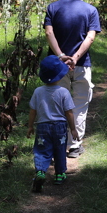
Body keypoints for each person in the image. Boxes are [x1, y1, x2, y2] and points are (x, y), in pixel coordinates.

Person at [44, 0, 101, 158]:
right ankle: (75, 146)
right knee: (79, 104)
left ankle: (56, 145)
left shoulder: (53, 7)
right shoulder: (91, 10)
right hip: (81, 64)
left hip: (56, 66)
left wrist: (60, 56)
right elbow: (90, 37)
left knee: (56, 104)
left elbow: (49, 33)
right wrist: (75, 58)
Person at [26, 55, 77, 191]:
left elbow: (33, 111)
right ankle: (59, 175)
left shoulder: (38, 91)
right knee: (60, 149)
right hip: (60, 127)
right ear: (60, 76)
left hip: (43, 126)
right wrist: (73, 129)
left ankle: (41, 171)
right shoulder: (64, 92)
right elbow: (69, 112)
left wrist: (30, 126)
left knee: (42, 150)